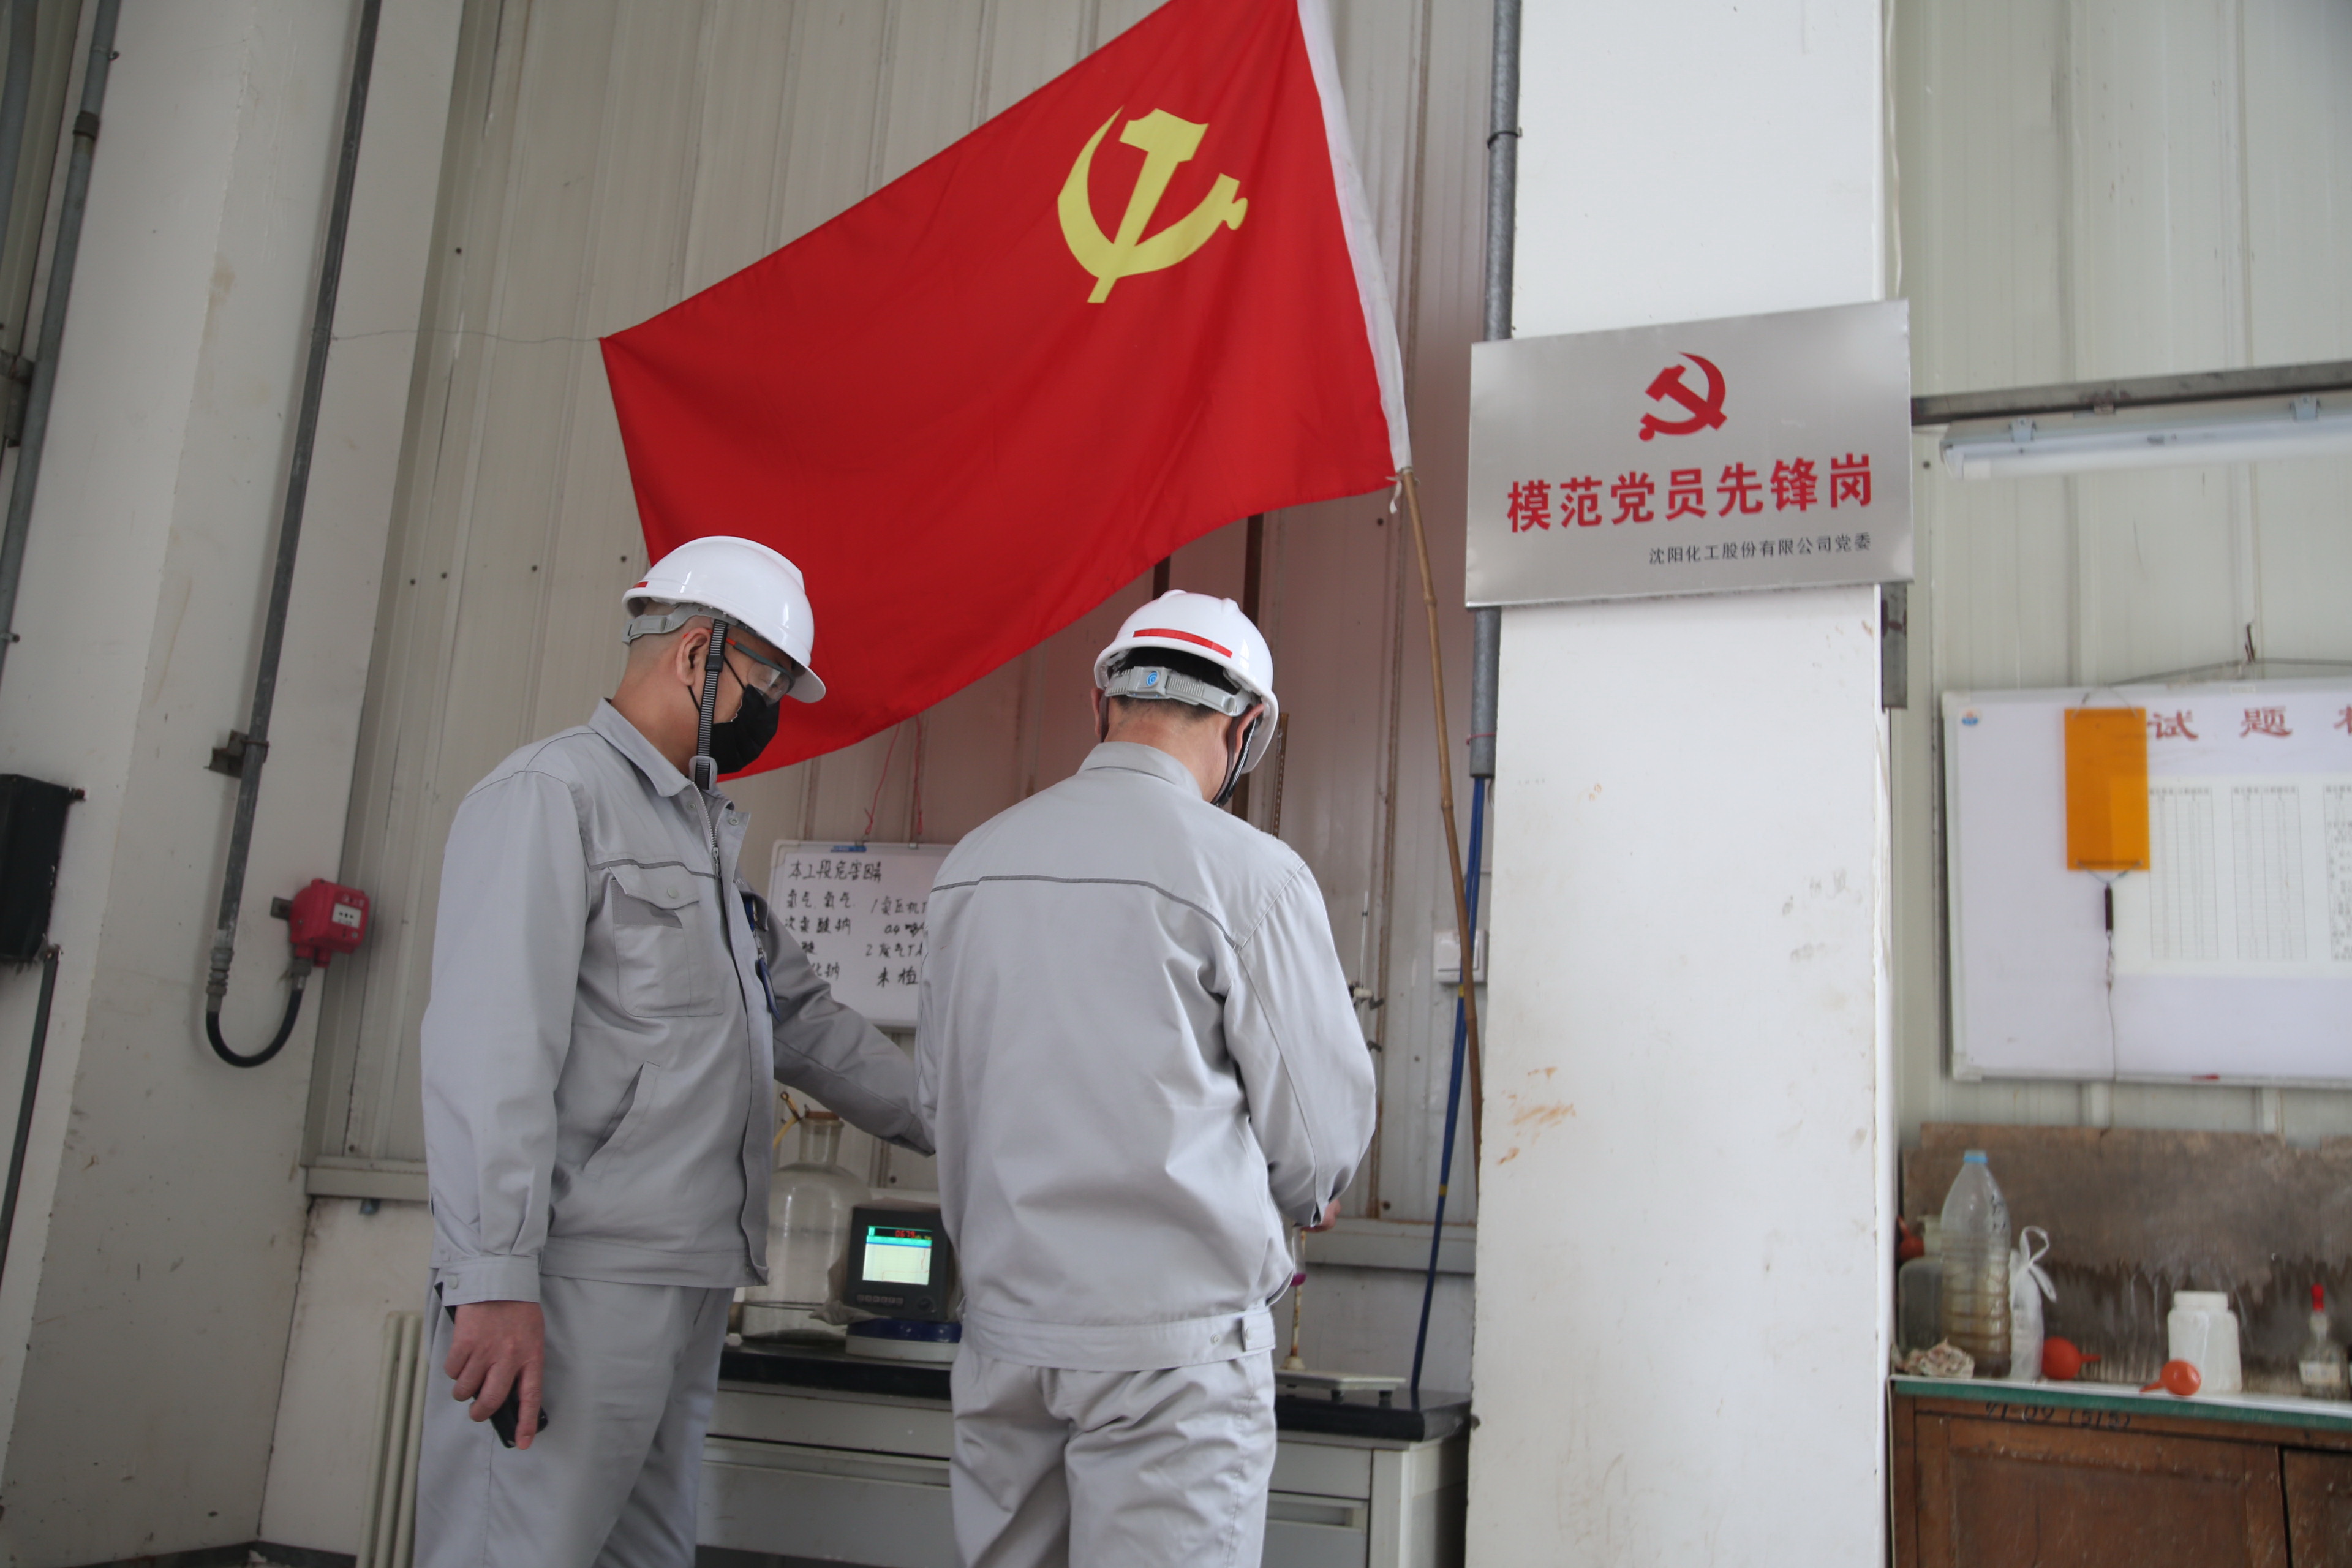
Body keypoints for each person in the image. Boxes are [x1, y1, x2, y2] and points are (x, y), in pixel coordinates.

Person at [415, 535, 930, 1567]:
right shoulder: (551, 797)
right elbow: (490, 1051)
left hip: (688, 1278)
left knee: (643, 1553)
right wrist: (495, 1275)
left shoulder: (702, 844)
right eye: (766, 683)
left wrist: (988, 1128)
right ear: (699, 654)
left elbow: (813, 1029)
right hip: (574, 1280)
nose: (770, 711)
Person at [917, 589, 1379, 1568]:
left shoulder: (974, 865)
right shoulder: (1249, 875)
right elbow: (1320, 1134)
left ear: (1102, 704)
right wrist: (1311, 1192)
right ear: (1246, 728)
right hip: (1173, 1356)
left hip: (1006, 1338)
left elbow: (937, 1097)